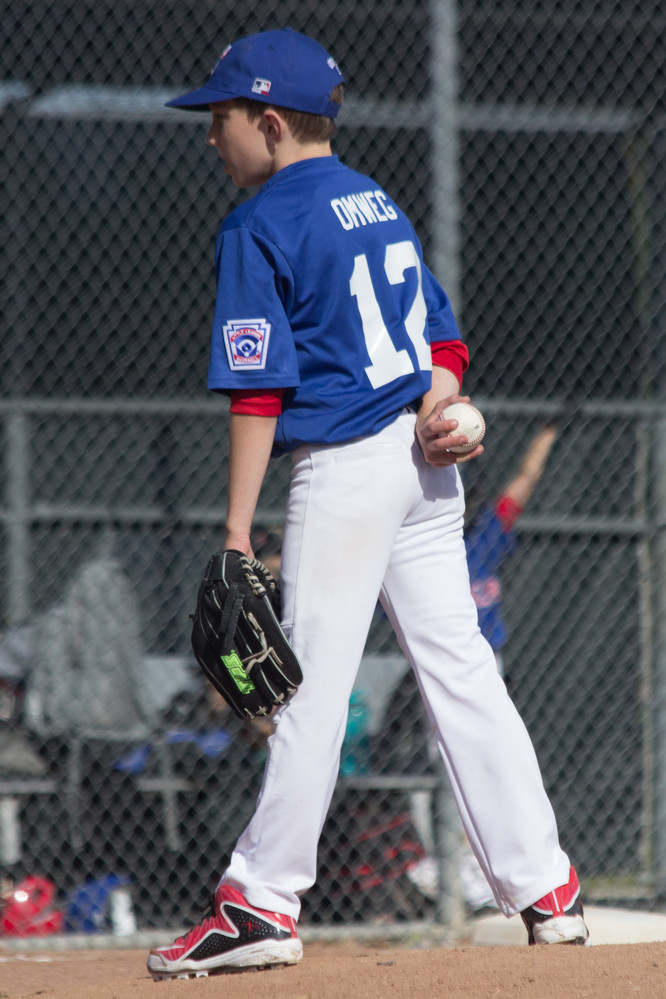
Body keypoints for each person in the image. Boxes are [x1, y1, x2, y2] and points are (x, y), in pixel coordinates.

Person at [148, 27, 589, 980]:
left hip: (347, 466)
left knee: (305, 690)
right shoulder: (375, 199)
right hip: (427, 471)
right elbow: (441, 337)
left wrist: (236, 532)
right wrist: (442, 399)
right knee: (462, 670)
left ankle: (260, 901)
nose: (211, 134)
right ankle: (547, 888)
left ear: (270, 121)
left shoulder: (258, 222)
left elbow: (258, 391)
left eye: (222, 117)